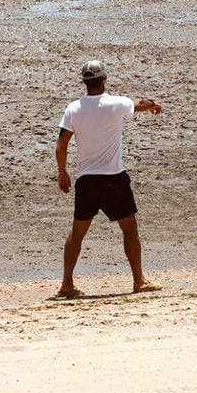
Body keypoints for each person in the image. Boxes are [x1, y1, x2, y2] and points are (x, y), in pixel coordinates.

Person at [55, 59, 163, 298]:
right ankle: (139, 280)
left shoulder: (73, 108)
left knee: (77, 234)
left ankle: (66, 284)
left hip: (86, 181)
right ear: (103, 79)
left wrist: (62, 173)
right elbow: (141, 103)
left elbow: (61, 144)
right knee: (130, 231)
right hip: (114, 179)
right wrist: (154, 105)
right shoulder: (116, 103)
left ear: (85, 82)